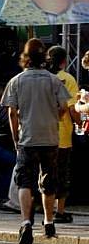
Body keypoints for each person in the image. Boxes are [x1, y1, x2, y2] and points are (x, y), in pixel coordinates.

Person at [1, 38, 70, 244]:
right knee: (48, 180)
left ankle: (26, 222)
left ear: (25, 58)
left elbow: (12, 112)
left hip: (27, 137)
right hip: (49, 137)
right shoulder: (53, 80)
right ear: (44, 58)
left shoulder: (16, 81)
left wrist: (15, 137)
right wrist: (53, 116)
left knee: (25, 181)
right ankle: (49, 220)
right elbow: (65, 107)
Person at [46, 46, 78, 224]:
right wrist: (80, 123)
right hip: (63, 134)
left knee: (45, 173)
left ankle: (46, 211)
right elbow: (71, 108)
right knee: (62, 173)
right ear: (64, 61)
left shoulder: (42, 77)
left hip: (42, 132)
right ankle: (60, 210)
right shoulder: (68, 79)